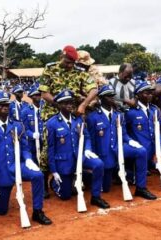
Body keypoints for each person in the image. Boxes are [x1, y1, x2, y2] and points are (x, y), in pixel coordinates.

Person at [0, 91, 52, 224]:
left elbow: (24, 147)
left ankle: (37, 211)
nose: (5, 107)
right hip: (0, 172)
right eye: (1, 105)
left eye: (7, 104)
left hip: (17, 166)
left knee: (38, 175)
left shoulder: (17, 125)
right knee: (2, 211)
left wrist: (28, 159)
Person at [38, 45, 98, 195]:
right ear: (61, 57)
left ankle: (74, 177)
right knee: (48, 148)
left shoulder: (79, 72)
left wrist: (83, 105)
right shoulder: (50, 68)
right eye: (67, 61)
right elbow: (44, 93)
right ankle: (45, 184)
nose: (70, 65)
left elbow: (94, 89)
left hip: (73, 113)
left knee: (76, 144)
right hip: (52, 113)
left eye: (72, 63)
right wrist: (61, 105)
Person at [87, 85, 155, 199]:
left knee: (141, 151)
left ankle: (141, 188)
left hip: (119, 147)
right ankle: (87, 176)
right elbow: (92, 139)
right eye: (108, 96)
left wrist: (131, 141)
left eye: (113, 96)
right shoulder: (93, 117)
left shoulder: (119, 115)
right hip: (104, 152)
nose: (112, 98)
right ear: (101, 98)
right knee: (106, 188)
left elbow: (124, 134)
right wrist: (94, 155)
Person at [46, 89, 109, 208]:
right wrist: (53, 170)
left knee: (99, 164)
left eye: (71, 102)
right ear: (59, 105)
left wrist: (87, 149)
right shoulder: (52, 123)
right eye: (65, 103)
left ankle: (96, 197)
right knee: (66, 196)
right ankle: (54, 183)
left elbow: (87, 136)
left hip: (81, 156)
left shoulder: (78, 119)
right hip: (64, 161)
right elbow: (51, 148)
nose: (69, 105)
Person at [20, 85, 49, 198]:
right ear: (31, 97)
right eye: (35, 95)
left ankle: (46, 187)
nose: (37, 97)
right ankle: (39, 189)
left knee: (45, 165)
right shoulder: (26, 111)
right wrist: (32, 135)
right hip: (32, 144)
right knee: (36, 166)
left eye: (39, 94)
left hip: (45, 142)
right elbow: (23, 129)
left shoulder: (46, 109)